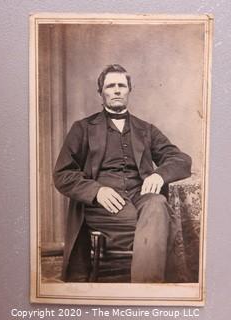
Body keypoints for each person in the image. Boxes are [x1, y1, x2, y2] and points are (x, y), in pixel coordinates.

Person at [53, 64, 192, 283]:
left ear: (129, 90)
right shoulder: (83, 128)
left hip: (140, 200)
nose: (117, 90)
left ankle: (145, 288)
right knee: (159, 223)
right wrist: (96, 191)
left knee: (157, 204)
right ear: (101, 92)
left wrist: (159, 175)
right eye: (110, 86)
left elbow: (182, 160)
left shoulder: (146, 130)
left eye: (121, 85)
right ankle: (150, 288)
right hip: (102, 207)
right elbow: (62, 174)